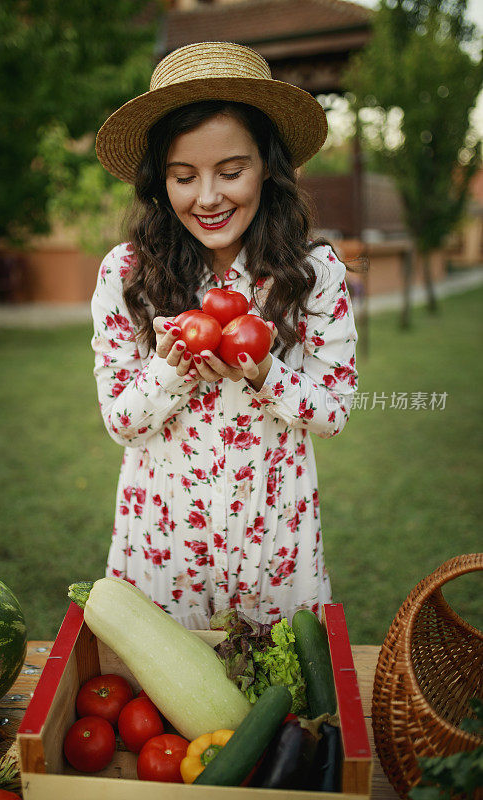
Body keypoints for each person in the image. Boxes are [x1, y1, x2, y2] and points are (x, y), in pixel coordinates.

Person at [91, 42, 359, 629]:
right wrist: (167, 372)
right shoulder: (127, 273)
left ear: (268, 166)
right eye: (184, 177)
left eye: (231, 172)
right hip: (164, 537)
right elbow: (120, 422)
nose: (208, 197)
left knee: (282, 700)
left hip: (273, 531)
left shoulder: (314, 273)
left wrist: (265, 371)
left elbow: (334, 411)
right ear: (160, 182)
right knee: (166, 700)